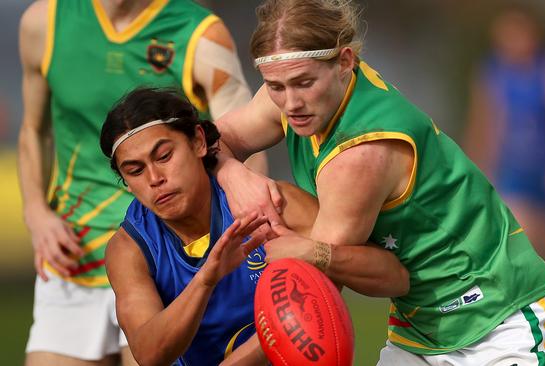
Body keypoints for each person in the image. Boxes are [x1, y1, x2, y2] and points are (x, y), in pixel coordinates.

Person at [213, 0, 545, 364]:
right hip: (420, 331)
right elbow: (209, 140)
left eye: (303, 83)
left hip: (502, 321)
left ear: (344, 61)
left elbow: (312, 294)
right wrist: (234, 175)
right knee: (279, 197)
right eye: (275, 86)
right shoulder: (296, 94)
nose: (290, 103)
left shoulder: (360, 153)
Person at [17, 0, 265, 364]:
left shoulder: (200, 33)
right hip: (74, 252)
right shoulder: (44, 22)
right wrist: (36, 212)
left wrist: (252, 237)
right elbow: (33, 130)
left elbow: (244, 140)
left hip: (165, 256)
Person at [99, 87, 409, 365]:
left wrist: (318, 254)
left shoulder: (268, 204)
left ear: (198, 142)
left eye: (164, 156)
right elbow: (149, 353)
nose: (155, 179)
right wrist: (207, 278)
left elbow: (394, 276)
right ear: (125, 182)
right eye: (135, 170)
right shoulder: (130, 249)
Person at [463, 7, 545, 327]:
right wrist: (479, 171)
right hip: (513, 173)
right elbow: (484, 126)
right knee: (522, 241)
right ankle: (528, 322)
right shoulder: (493, 74)